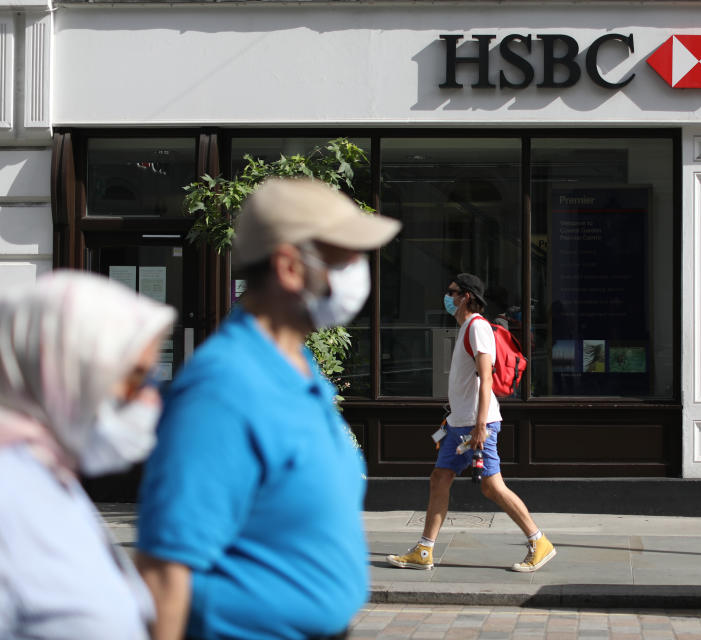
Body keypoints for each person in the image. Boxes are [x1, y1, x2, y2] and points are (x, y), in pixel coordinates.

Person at [136, 178, 400, 640]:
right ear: (290, 267)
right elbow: (164, 571)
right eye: (344, 257)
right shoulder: (224, 388)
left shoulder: (298, 365)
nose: (360, 270)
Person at [0, 271, 176, 640]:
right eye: (135, 378)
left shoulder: (52, 474)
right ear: (64, 372)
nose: (150, 399)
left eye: (152, 380)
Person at [387, 273, 557, 573]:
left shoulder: (477, 326)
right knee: (439, 479)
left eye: (451, 292)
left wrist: (480, 425)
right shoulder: (467, 326)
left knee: (492, 486)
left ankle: (539, 541)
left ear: (466, 296)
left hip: (478, 423)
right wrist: (454, 419)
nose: (447, 297)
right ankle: (424, 550)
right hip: (459, 424)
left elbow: (487, 377)